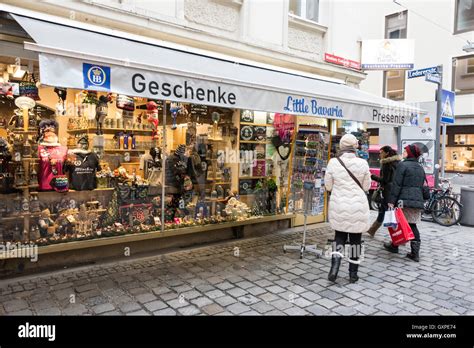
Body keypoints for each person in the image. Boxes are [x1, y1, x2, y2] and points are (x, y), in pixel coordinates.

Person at [325, 134, 371, 283]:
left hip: (339, 204)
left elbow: (328, 186)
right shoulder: (363, 163)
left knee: (339, 236)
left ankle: (334, 268)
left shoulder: (333, 162)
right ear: (355, 147)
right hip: (358, 205)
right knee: (356, 239)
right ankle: (353, 273)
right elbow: (366, 186)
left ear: (342, 147)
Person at [384, 144, 425, 262]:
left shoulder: (403, 165)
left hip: (403, 200)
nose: (403, 153)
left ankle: (394, 245)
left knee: (399, 223)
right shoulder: (420, 167)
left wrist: (391, 201)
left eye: (405, 152)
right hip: (417, 200)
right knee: (412, 224)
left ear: (410, 153)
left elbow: (397, 184)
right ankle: (414, 253)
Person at [367, 146, 401, 237]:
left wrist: (372, 176)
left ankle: (397, 235)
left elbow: (384, 180)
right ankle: (372, 230)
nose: (379, 154)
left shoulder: (387, 164)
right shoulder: (397, 163)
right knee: (389, 212)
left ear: (386, 153)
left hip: (387, 191)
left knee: (385, 212)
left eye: (381, 152)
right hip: (395, 191)